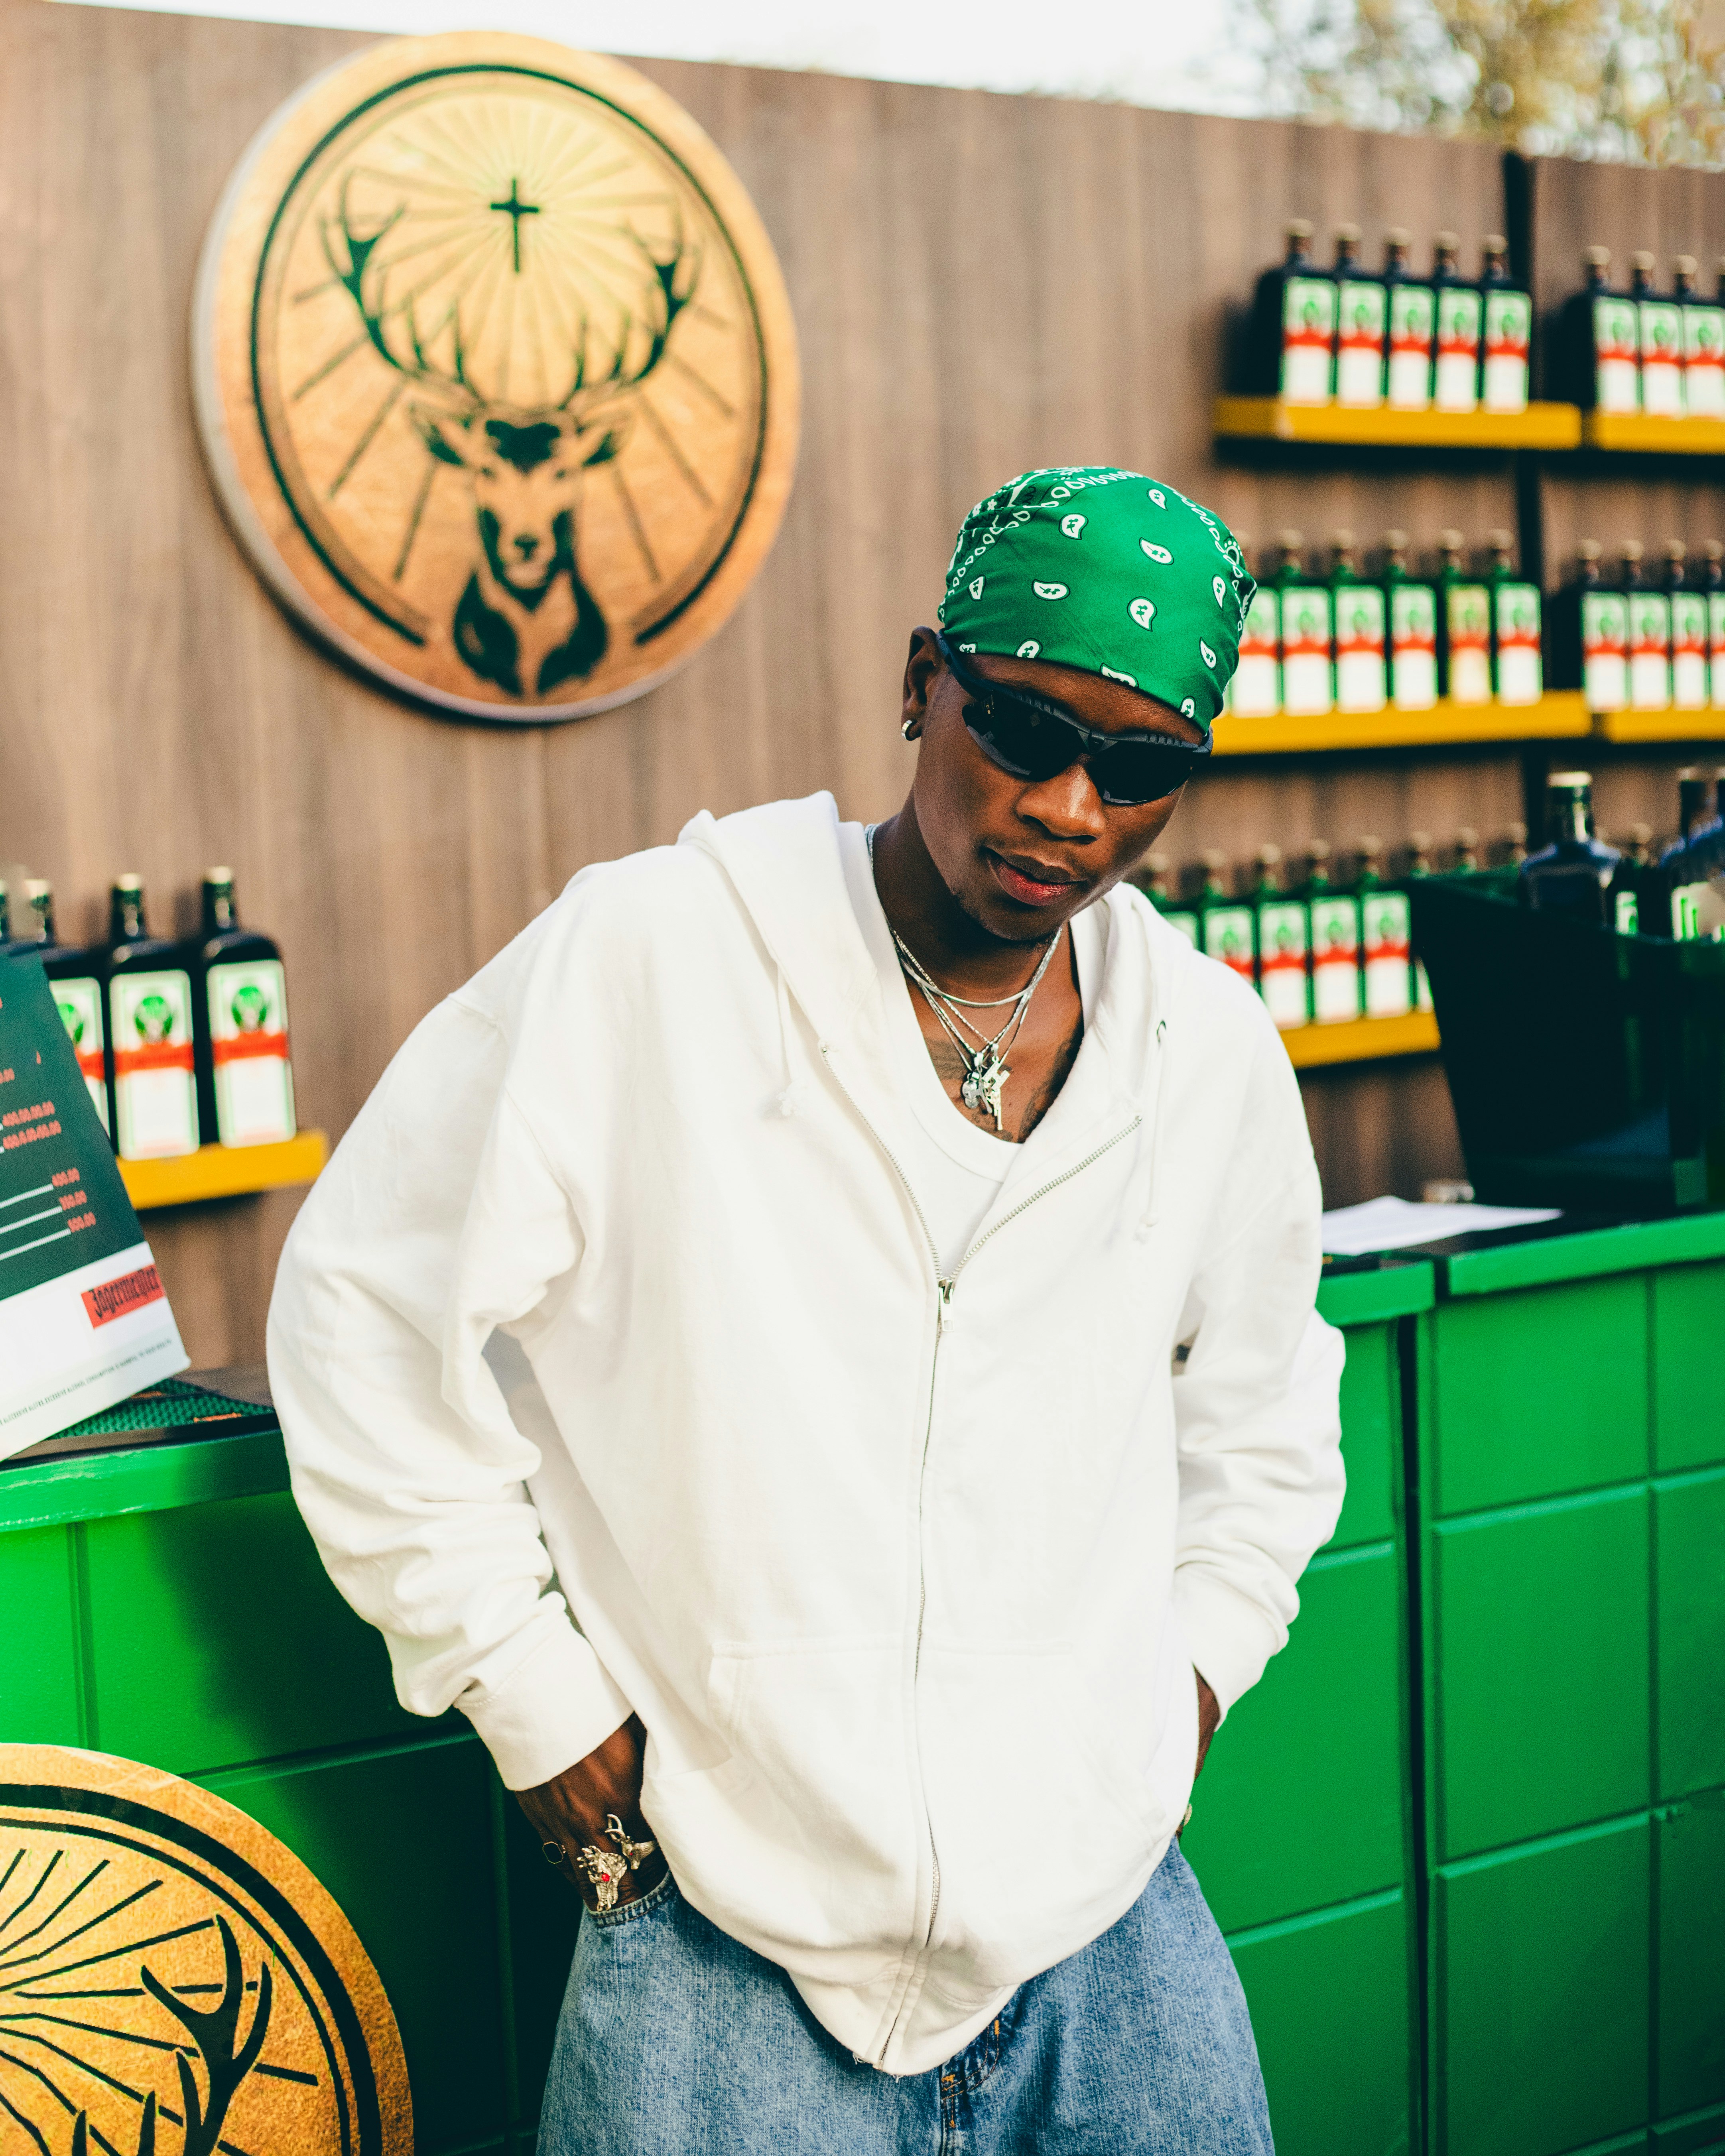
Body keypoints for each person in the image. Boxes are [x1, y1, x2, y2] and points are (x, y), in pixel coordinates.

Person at [269, 466, 1345, 2154]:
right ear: (924, 678)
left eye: (1138, 769)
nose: (1067, 805)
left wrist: (1182, 1690)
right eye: (1018, 728)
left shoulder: (1203, 1050)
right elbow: (364, 1309)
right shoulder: (659, 958)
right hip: (721, 1927)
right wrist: (523, 1687)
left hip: (1108, 1924)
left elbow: (1268, 1420)